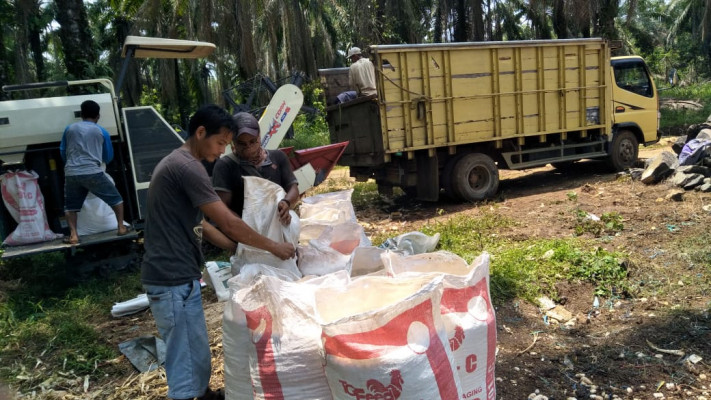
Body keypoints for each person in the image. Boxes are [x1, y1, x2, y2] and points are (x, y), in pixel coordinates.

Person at [141, 104, 295, 400]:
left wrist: (237, 249)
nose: (223, 151)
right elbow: (225, 220)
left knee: (194, 345)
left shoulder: (180, 163)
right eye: (221, 142)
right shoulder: (188, 167)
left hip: (180, 275)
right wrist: (273, 247)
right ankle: (188, 395)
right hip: (171, 277)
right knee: (183, 353)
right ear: (201, 133)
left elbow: (201, 222)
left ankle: (204, 394)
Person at [60, 100, 129, 245]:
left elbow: (62, 151)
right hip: (92, 172)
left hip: (71, 172)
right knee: (116, 199)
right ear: (98, 116)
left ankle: (73, 235)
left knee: (70, 206)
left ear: (82, 115)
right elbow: (108, 156)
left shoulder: (69, 129)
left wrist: (72, 164)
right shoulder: (101, 131)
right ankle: (121, 227)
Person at [211, 112, 299, 225]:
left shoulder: (278, 157)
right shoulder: (225, 166)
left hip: (278, 224)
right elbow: (223, 209)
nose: (248, 147)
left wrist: (286, 202)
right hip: (244, 231)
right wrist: (249, 228)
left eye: (253, 141)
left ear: (259, 136)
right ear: (232, 142)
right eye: (242, 144)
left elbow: (293, 187)